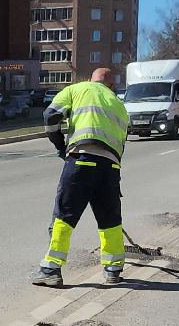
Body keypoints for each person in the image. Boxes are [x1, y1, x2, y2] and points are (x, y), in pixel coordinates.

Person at [31, 67, 129, 288]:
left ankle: (51, 270)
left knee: (64, 216)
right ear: (111, 85)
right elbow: (121, 144)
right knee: (110, 219)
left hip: (81, 161)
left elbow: (50, 115)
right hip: (110, 167)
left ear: (91, 79)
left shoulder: (77, 89)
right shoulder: (119, 105)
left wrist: (60, 145)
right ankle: (113, 270)